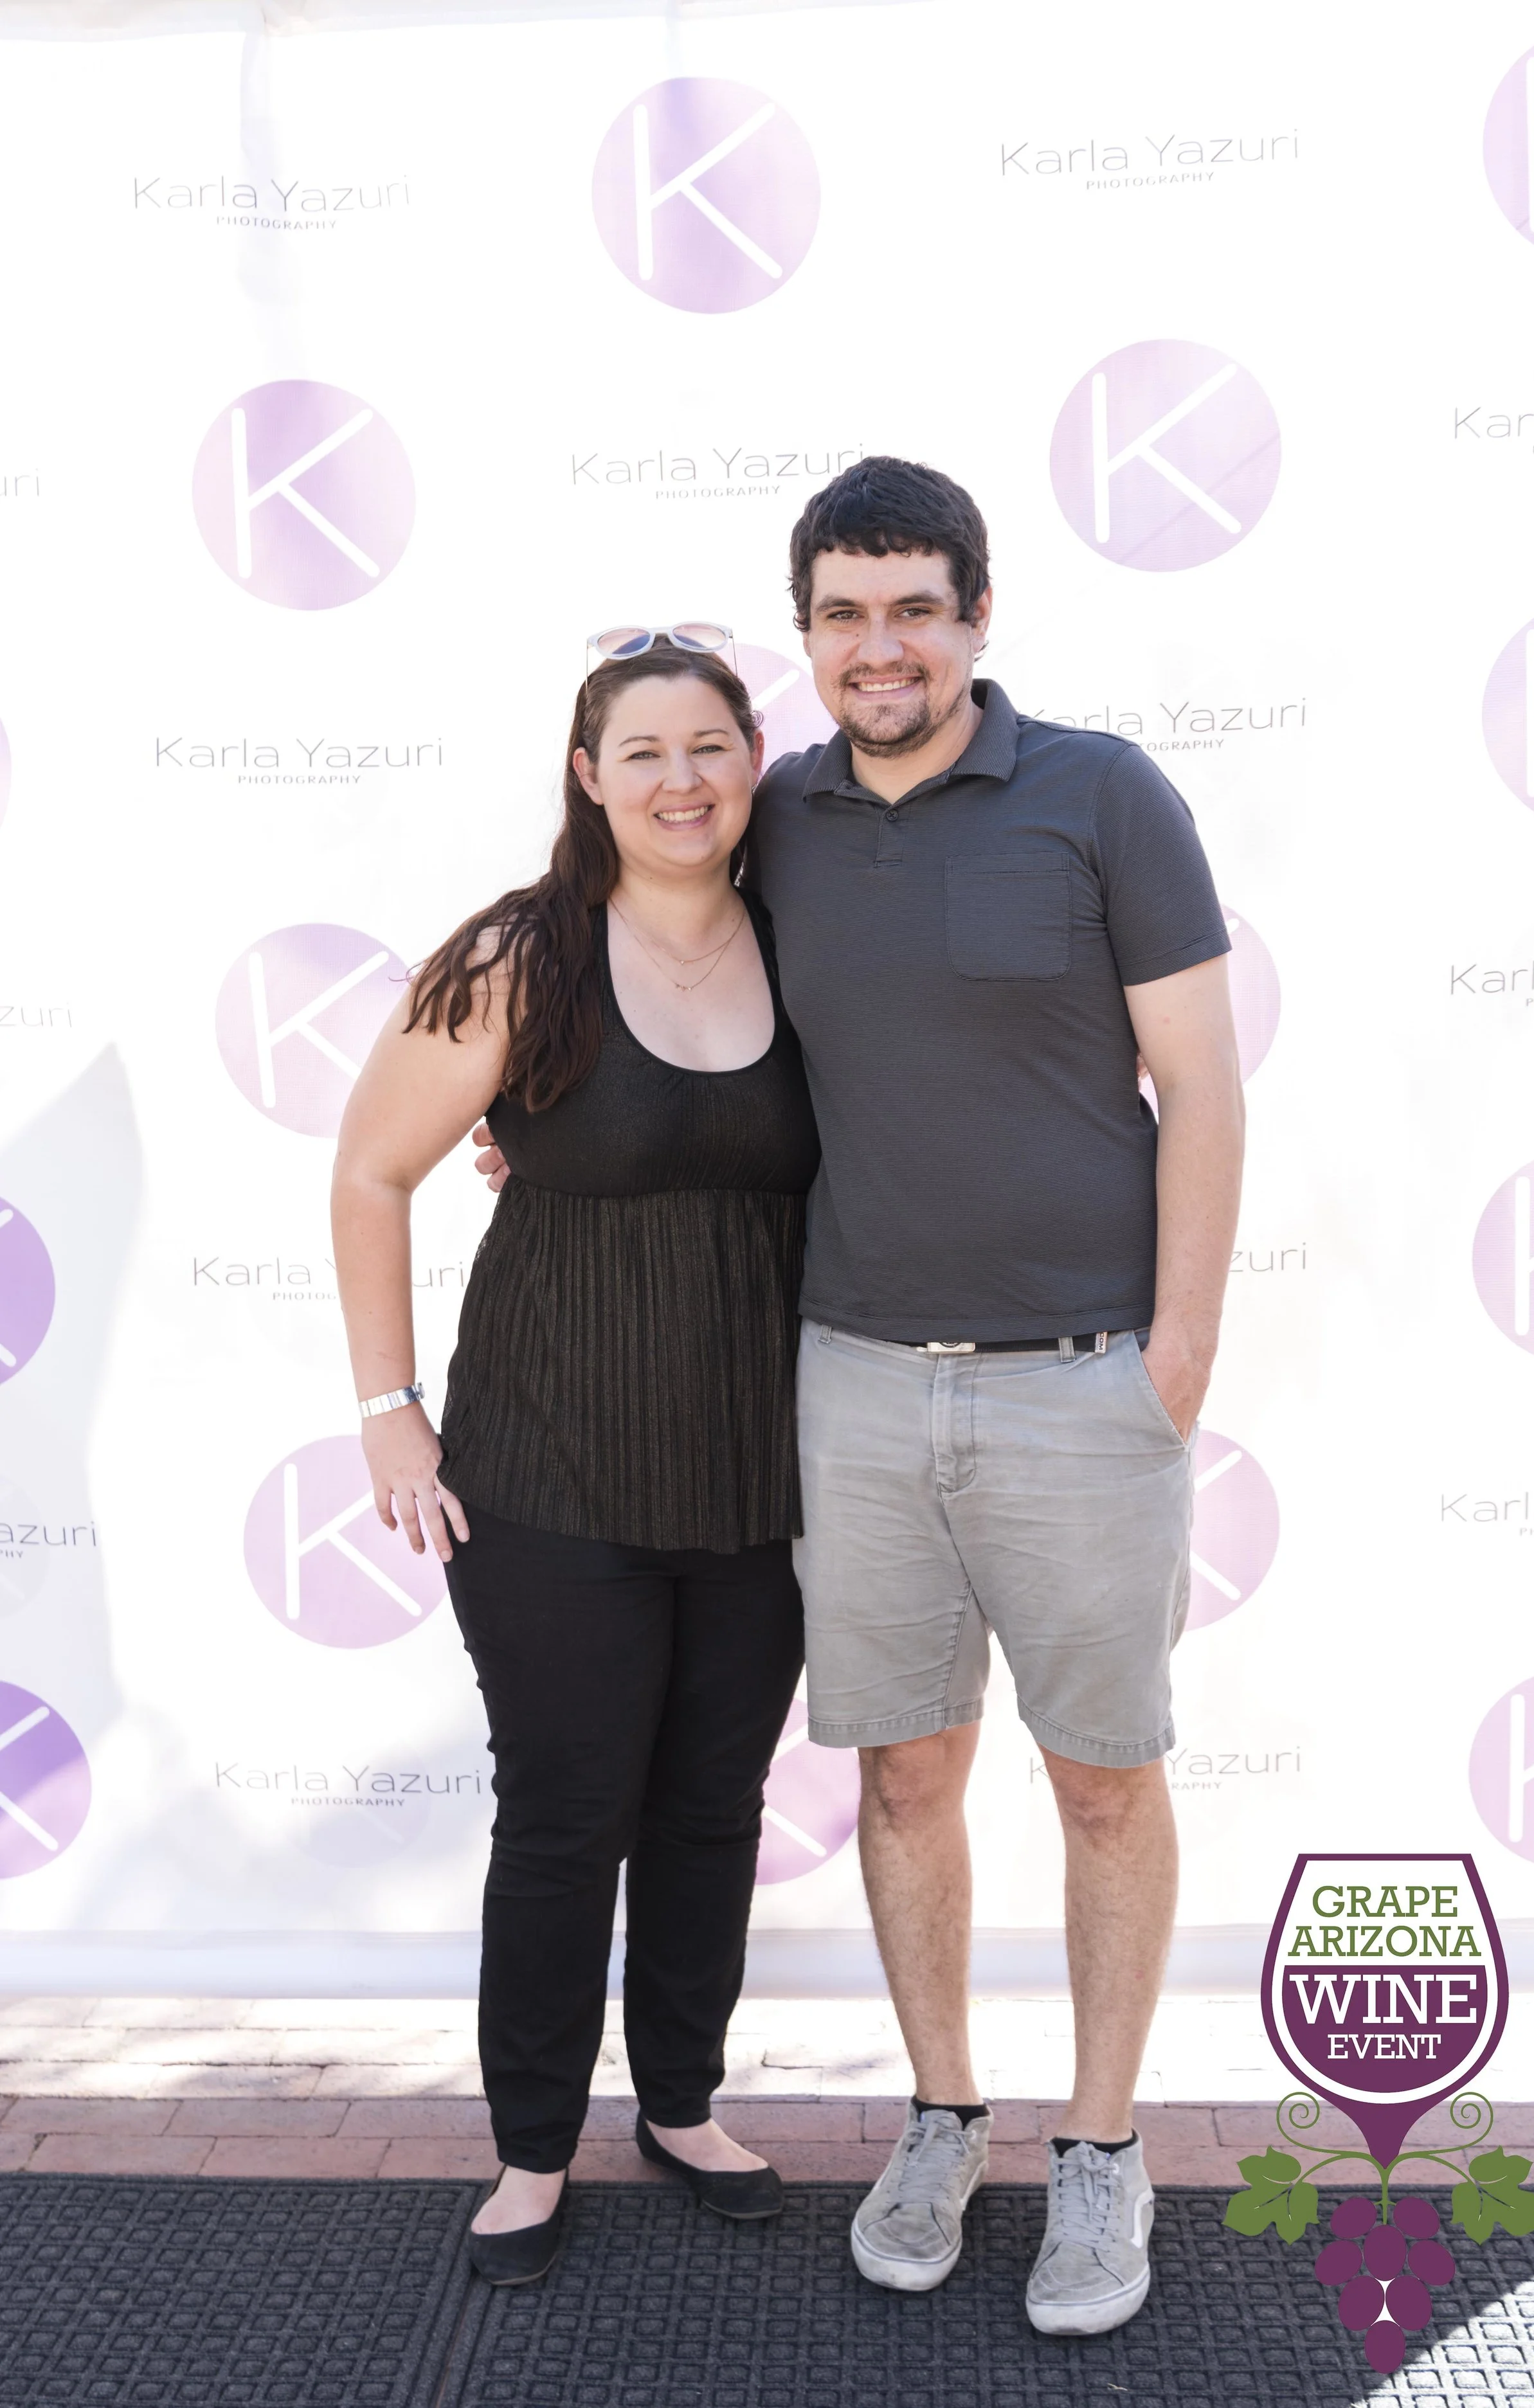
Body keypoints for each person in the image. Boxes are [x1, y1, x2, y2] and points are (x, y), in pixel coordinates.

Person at [476, 457, 1245, 2335]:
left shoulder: (1104, 797)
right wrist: (534, 1121)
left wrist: (1177, 1355)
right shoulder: (776, 820)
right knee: (903, 1773)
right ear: (804, 636)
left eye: (914, 608)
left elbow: (1205, 1090)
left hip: (1084, 1383)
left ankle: (1100, 2148)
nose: (879, 645)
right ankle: (941, 2117)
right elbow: (654, 975)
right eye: (843, 614)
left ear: (977, 615)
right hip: (848, 1386)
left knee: (1103, 1783)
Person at [332, 635, 818, 2285]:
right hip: (547, 1472)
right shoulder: (519, 956)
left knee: (710, 1809)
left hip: (757, 1476)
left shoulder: (805, 940)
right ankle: (532, 2146)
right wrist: (387, 1405)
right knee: (562, 1815)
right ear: (587, 774)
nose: (681, 779)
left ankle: (680, 2104)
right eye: (644, 751)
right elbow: (369, 1170)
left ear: (752, 759)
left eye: (710, 744)